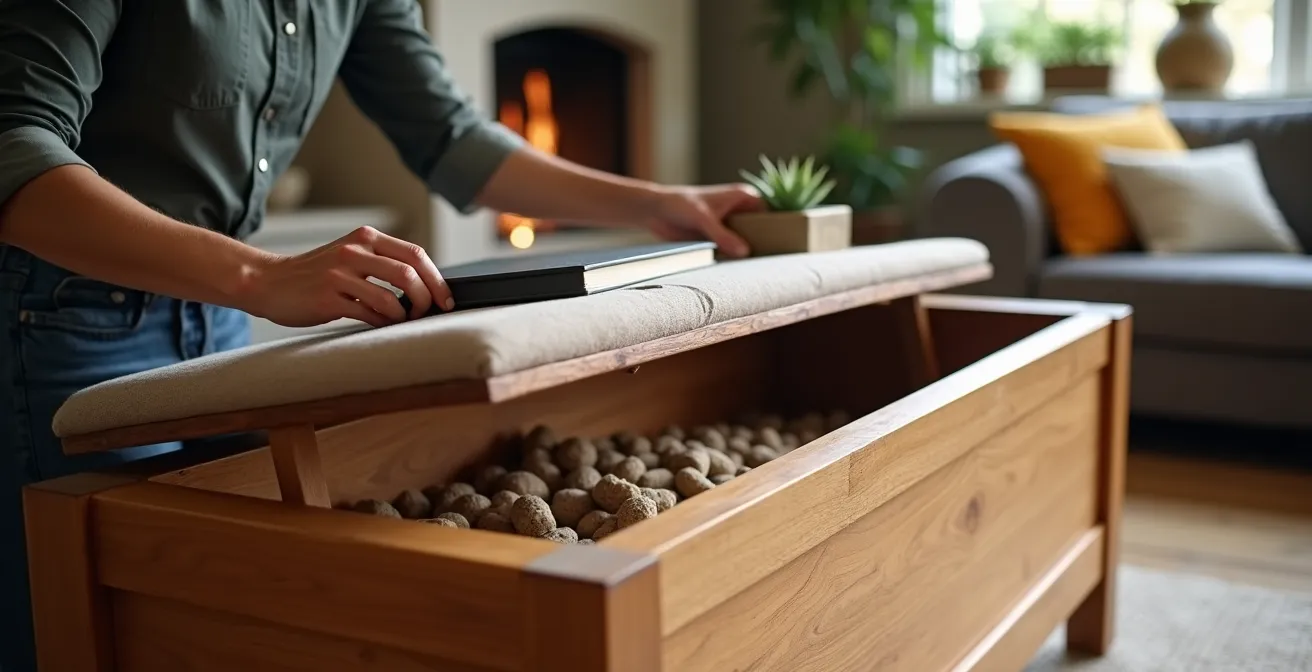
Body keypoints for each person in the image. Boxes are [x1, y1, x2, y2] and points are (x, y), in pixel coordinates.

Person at [0, 1, 763, 668]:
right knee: (66, 628)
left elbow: (452, 136)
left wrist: (660, 205)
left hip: (220, 325)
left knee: (200, 620)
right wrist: (261, 278)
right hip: (60, 321)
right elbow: (14, 145)